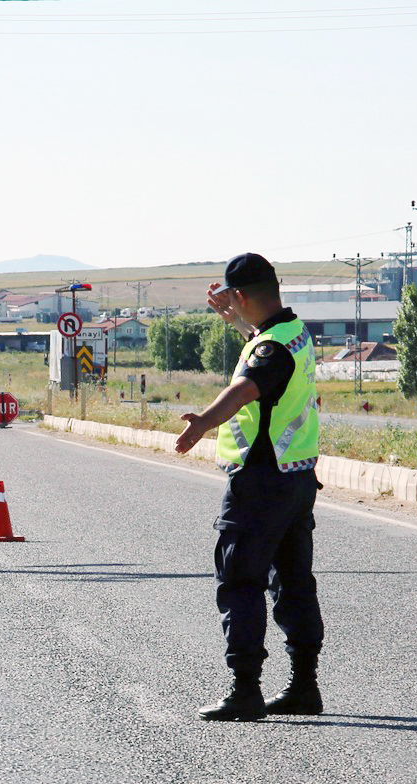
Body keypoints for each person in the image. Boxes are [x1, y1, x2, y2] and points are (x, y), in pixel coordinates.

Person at [173, 252, 324, 722]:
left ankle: (245, 690)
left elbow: (246, 387)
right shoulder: (293, 334)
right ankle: (303, 686)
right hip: (296, 478)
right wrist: (236, 320)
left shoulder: (269, 350)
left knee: (240, 578)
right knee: (293, 582)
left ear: (240, 295)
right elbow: (265, 355)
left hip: (261, 482)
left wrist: (203, 423)